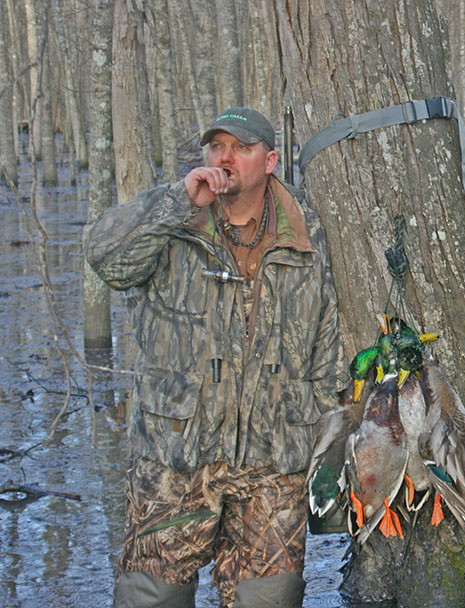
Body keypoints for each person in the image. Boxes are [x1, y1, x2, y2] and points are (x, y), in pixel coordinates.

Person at [84, 107, 346, 607]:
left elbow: (327, 341)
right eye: (216, 147)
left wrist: (309, 421)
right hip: (176, 453)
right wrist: (176, 201)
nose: (224, 159)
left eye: (240, 148)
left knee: (270, 598)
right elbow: (104, 258)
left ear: (269, 161)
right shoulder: (173, 221)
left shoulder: (305, 234)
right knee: (152, 596)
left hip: (273, 459)